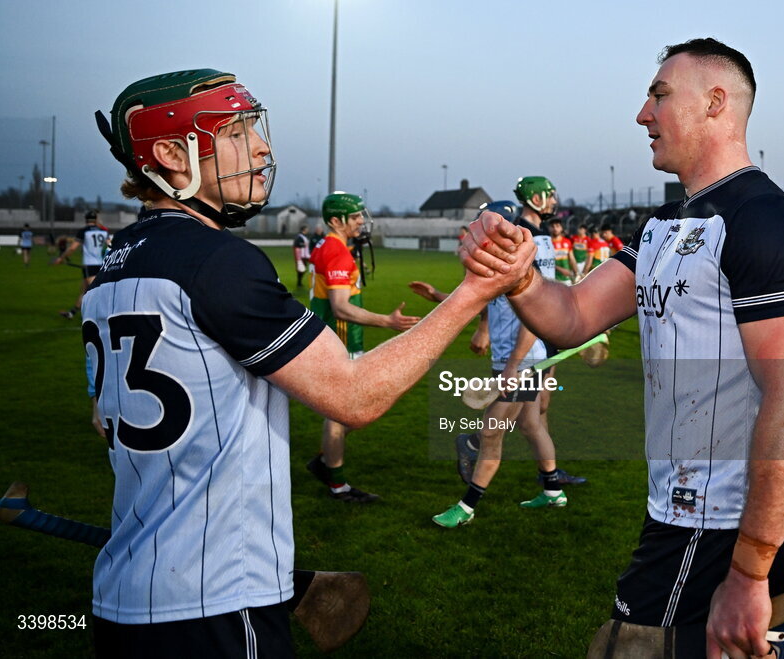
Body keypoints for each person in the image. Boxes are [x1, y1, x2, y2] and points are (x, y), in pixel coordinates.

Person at [84, 68, 533, 657]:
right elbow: (355, 394)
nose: (262, 147)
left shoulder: (116, 264)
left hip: (125, 593)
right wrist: (474, 291)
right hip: (214, 600)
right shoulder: (215, 260)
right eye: (238, 133)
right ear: (171, 153)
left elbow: (104, 419)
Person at [461, 38, 784, 658]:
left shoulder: (765, 222)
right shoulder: (664, 227)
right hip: (681, 509)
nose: (643, 114)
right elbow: (573, 316)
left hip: (722, 520)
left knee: (623, 650)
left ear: (716, 103)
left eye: (659, 95)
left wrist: (749, 570)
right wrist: (519, 275)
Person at [434, 179, 585, 529]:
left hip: (523, 359)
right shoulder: (503, 262)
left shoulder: (521, 263)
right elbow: (476, 303)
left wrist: (514, 366)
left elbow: (535, 317)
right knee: (531, 424)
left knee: (490, 432)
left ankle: (466, 507)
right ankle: (552, 492)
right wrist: (436, 296)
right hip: (517, 358)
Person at [305, 192, 420, 503]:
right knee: (343, 413)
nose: (360, 221)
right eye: (354, 217)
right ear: (335, 221)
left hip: (336, 339)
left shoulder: (331, 247)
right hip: (339, 341)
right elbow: (341, 307)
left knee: (350, 410)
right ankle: (337, 484)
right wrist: (388, 321)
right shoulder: (336, 251)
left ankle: (326, 461)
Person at [55, 210, 109, 319]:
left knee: (96, 291)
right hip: (100, 264)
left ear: (86, 220)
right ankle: (72, 313)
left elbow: (72, 248)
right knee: (84, 290)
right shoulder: (103, 231)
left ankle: (108, 315)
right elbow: (110, 246)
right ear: (95, 220)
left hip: (89, 265)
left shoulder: (83, 231)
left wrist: (61, 258)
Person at [548, 216, 578, 283]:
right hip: (552, 279)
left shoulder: (567, 242)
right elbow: (546, 262)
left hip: (566, 279)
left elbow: (572, 259)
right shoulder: (547, 243)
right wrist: (560, 269)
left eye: (557, 226)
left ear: (561, 228)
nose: (555, 228)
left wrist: (577, 273)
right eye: (552, 226)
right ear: (549, 228)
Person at [292, 225, 311, 289]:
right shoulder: (299, 237)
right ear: (304, 230)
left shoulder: (304, 236)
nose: (308, 230)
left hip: (305, 255)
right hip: (301, 256)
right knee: (301, 269)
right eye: (307, 229)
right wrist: (303, 245)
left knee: (303, 268)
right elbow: (296, 244)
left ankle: (299, 282)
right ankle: (299, 282)